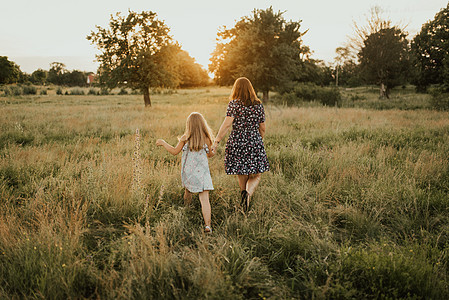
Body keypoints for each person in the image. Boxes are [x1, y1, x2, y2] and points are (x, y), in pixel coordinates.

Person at [211, 77, 269, 212]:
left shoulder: (234, 104)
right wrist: (259, 139)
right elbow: (263, 127)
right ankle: (248, 194)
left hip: (237, 142)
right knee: (256, 174)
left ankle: (243, 196)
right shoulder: (258, 105)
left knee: (241, 172)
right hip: (254, 141)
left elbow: (226, 125)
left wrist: (217, 141)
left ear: (236, 89)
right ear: (251, 89)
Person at [156, 112, 215, 233]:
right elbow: (210, 155)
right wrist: (213, 150)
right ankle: (207, 225)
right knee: (205, 200)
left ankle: (187, 211)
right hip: (203, 174)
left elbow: (174, 151)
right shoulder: (206, 138)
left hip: (189, 173)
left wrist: (163, 142)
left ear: (189, 125)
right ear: (202, 124)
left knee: (188, 192)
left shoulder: (185, 138)